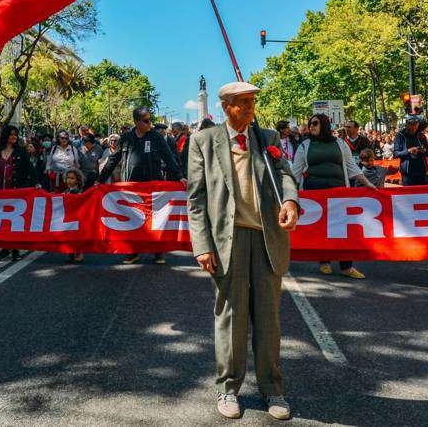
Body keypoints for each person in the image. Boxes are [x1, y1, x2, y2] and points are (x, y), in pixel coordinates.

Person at [187, 81, 300, 421]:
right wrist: (202, 245)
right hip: (227, 241)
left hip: (267, 238)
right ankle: (228, 388)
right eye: (243, 103)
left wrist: (291, 200)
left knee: (268, 319)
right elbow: (196, 200)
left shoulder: (269, 139)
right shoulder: (202, 142)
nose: (250, 108)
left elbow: (285, 174)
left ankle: (272, 389)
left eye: (252, 102)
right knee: (231, 318)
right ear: (225, 107)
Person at [98, 107, 187, 265]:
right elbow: (113, 159)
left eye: (149, 119)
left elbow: (169, 157)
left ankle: (158, 252)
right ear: (136, 122)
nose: (150, 123)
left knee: (155, 218)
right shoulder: (125, 138)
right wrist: (100, 179)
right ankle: (133, 252)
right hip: (131, 187)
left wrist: (180, 176)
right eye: (146, 120)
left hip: (152, 186)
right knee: (132, 219)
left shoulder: (156, 137)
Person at [292, 113, 376, 279]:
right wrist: (286, 192)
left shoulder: (339, 143)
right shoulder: (305, 145)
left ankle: (347, 266)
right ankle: (324, 261)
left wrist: (367, 183)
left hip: (339, 194)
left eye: (315, 123)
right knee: (322, 229)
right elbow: (295, 171)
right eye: (310, 124)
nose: (312, 126)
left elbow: (351, 166)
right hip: (315, 195)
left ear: (324, 124)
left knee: (343, 229)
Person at [0, 125, 39, 261]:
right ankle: (5, 247)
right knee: (2, 221)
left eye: (15, 135)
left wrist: (36, 183)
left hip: (16, 192)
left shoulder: (21, 151)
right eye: (11, 134)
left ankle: (16, 249)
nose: (14, 137)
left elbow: (30, 169)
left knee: (15, 221)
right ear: (5, 135)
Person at [394, 115, 428, 185]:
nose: (413, 127)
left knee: (423, 194)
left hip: (422, 171)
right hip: (408, 173)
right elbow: (396, 154)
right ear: (406, 124)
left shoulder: (421, 135)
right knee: (409, 194)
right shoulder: (400, 135)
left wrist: (423, 151)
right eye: (411, 124)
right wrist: (409, 151)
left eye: (415, 124)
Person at [63, 168, 85, 264]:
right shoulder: (66, 191)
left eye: (72, 178)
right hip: (68, 216)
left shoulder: (79, 191)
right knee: (68, 235)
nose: (69, 180)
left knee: (77, 236)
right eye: (68, 178)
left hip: (77, 217)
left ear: (77, 180)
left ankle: (79, 253)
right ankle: (70, 253)